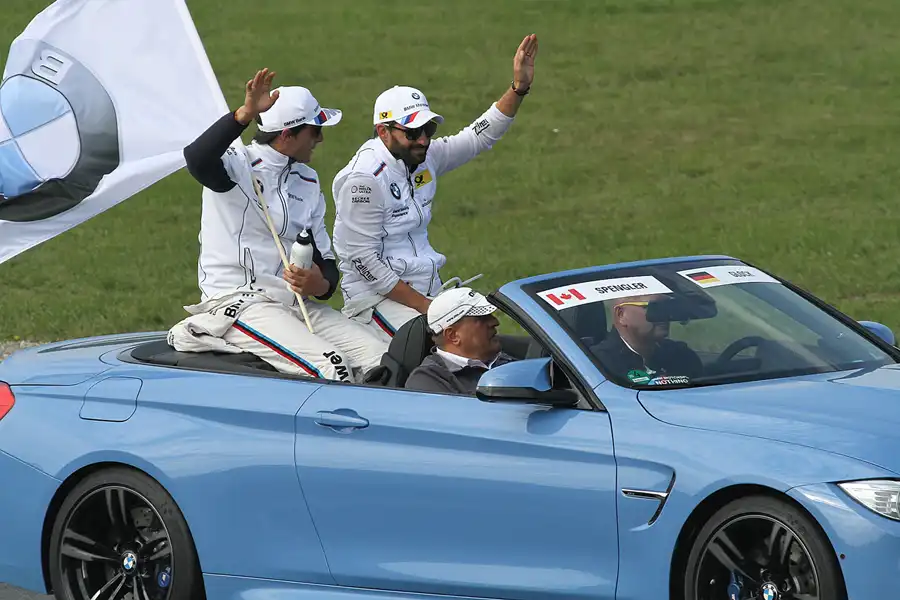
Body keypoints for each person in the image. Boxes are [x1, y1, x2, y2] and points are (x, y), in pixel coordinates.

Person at [170, 68, 387, 382]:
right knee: (333, 367)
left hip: (296, 304)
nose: (321, 139)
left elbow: (324, 261)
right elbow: (197, 158)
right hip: (241, 303)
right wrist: (244, 114)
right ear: (288, 135)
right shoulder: (237, 164)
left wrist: (320, 285)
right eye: (315, 131)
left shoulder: (308, 179)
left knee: (381, 359)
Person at [331, 34, 540, 342]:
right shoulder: (364, 180)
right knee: (456, 347)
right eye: (413, 132)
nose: (424, 140)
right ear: (382, 131)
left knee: (487, 338)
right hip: (375, 303)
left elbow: (478, 136)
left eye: (428, 129)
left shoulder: (425, 157)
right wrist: (431, 310)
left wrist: (518, 88)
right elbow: (363, 261)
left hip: (427, 295)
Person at [404, 287, 516, 395]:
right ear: (453, 335)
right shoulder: (427, 382)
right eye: (482, 318)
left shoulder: (503, 358)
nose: (495, 322)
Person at [592, 294, 703, 384]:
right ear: (621, 315)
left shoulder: (682, 356)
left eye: (667, 307)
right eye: (654, 307)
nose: (664, 315)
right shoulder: (599, 365)